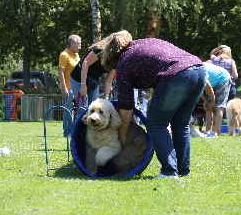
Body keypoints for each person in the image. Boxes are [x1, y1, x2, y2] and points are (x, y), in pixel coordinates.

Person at [101, 31, 206, 179]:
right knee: (181, 124)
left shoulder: (124, 63)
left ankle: (169, 171)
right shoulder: (143, 44)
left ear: (113, 59)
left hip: (178, 74)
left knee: (156, 124)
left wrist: (121, 137)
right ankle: (183, 170)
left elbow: (126, 108)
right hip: (199, 69)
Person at [70, 36, 117, 106]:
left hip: (93, 81)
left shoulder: (117, 59)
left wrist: (106, 98)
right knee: (82, 109)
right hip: (79, 78)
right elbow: (85, 63)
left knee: (93, 107)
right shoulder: (100, 50)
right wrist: (83, 86)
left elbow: (108, 81)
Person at [58, 34, 82, 137]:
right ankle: (67, 132)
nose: (80, 46)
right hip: (68, 88)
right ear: (71, 43)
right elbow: (61, 72)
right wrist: (64, 88)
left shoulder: (76, 55)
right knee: (68, 110)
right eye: (78, 43)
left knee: (78, 110)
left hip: (77, 87)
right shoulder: (64, 55)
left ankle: (75, 131)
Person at [202, 62, 232, 136]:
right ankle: (208, 132)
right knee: (208, 107)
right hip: (212, 82)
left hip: (223, 78)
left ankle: (216, 132)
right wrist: (205, 101)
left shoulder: (200, 72)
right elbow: (199, 90)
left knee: (218, 107)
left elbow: (208, 86)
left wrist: (212, 100)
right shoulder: (192, 73)